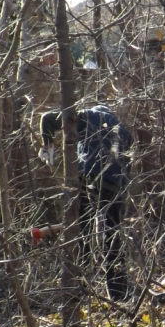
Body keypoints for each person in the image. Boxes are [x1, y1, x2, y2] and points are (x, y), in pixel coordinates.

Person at [39, 104, 133, 301]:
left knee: (82, 230)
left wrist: (47, 149)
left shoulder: (87, 116)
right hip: (115, 183)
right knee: (112, 234)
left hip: (87, 177)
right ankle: (118, 292)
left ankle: (79, 284)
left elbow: (47, 118)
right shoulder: (123, 131)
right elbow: (127, 166)